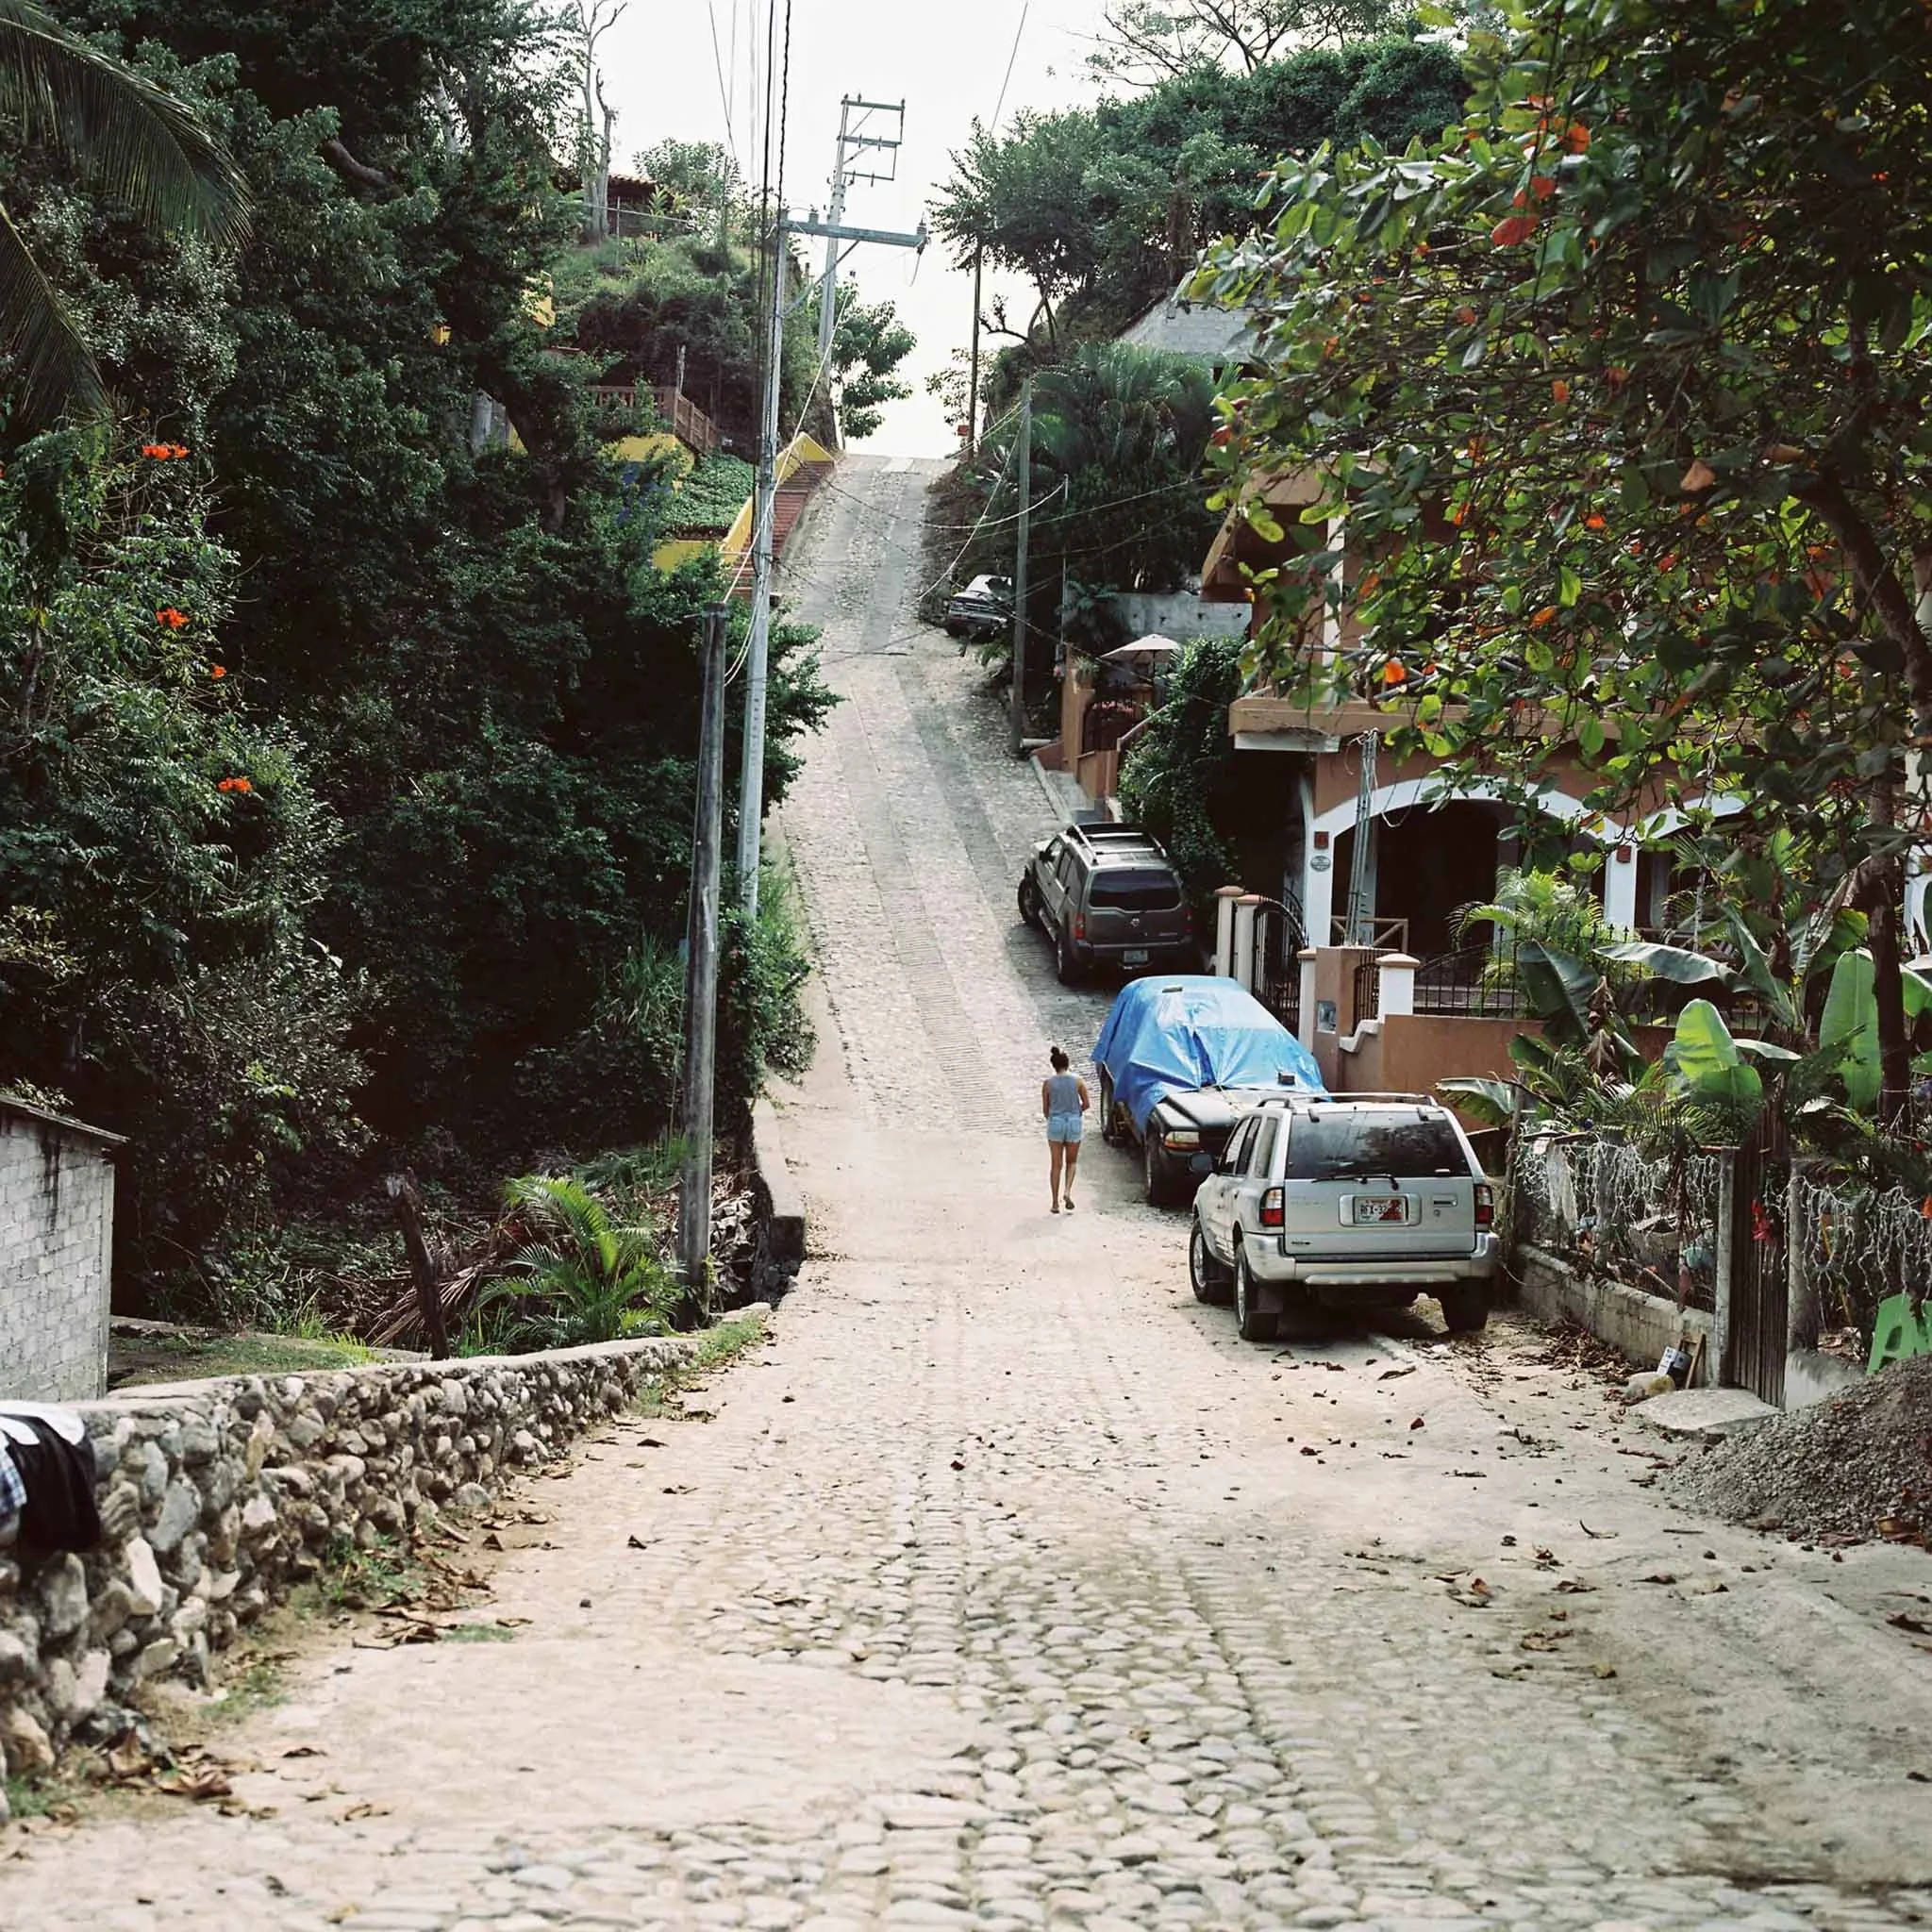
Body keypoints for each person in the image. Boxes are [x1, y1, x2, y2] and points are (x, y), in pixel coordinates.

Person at [1041, 1046, 1090, 1214]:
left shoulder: (1048, 1084)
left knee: (1056, 1165)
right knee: (1072, 1162)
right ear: (1068, 1063)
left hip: (1056, 1122)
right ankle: (1067, 1191)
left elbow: (1046, 1110)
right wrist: (1076, 1112)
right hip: (1074, 1122)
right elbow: (1086, 1103)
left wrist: (1054, 1117)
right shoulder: (1078, 1081)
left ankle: (1055, 1203)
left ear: (1053, 1065)